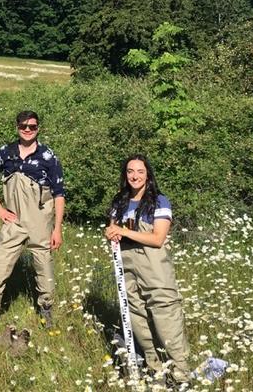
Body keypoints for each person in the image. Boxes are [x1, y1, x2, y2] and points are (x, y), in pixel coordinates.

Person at [0, 110, 65, 329]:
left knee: (43, 264)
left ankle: (46, 309)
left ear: (38, 128)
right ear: (17, 127)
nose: (28, 130)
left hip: (40, 220)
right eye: (23, 126)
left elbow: (59, 194)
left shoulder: (48, 156)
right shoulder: (6, 152)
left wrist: (57, 228)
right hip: (14, 219)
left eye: (32, 126)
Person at [105, 154, 190, 385]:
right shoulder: (119, 202)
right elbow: (112, 229)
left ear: (148, 175)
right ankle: (156, 371)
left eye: (140, 171)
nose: (135, 176)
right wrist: (110, 232)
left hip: (154, 267)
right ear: (125, 175)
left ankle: (181, 376)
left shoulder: (159, 201)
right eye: (130, 171)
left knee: (166, 318)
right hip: (126, 266)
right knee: (138, 319)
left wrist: (124, 231)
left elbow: (157, 238)